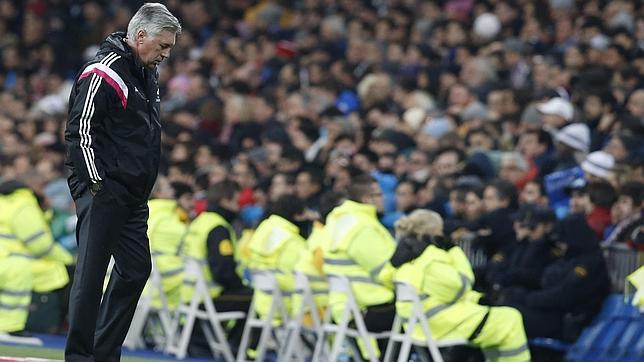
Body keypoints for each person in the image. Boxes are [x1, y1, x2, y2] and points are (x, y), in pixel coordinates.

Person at [63, 4, 181, 361]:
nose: (166, 54)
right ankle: (80, 357)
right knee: (91, 273)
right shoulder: (105, 72)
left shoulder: (145, 73)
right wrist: (95, 184)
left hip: (131, 194)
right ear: (140, 36)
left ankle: (103, 354)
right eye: (163, 46)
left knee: (135, 270)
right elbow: (79, 130)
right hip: (103, 187)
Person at [391, 209, 531, 362]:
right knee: (510, 319)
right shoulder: (431, 259)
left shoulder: (405, 258)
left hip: (420, 325)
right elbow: (462, 286)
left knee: (497, 320)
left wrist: (476, 298)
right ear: (435, 232)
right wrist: (454, 250)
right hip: (443, 326)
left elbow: (440, 294)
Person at [322, 174, 396, 359]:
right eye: (379, 194)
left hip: (344, 307)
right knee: (424, 314)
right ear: (367, 199)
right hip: (369, 309)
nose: (384, 198)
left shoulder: (338, 219)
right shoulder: (363, 228)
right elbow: (387, 272)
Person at [504, 215, 610, 341]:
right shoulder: (569, 259)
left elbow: (564, 296)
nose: (560, 245)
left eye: (563, 241)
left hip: (569, 321)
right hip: (553, 313)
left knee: (509, 316)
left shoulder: (590, 263)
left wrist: (527, 298)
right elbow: (544, 279)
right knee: (506, 307)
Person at [182, 179, 252, 354]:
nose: (239, 207)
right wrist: (240, 287)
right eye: (236, 201)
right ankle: (235, 349)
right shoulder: (219, 228)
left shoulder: (200, 221)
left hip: (190, 293)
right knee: (254, 299)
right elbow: (223, 271)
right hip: (209, 296)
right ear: (225, 201)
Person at [0, 180, 73, 333]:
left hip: (7, 260)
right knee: (66, 273)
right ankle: (58, 325)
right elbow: (41, 246)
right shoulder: (24, 205)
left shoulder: (5, 202)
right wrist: (68, 259)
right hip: (16, 263)